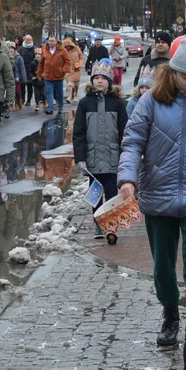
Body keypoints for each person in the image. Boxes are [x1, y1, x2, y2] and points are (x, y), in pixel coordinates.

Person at [117, 33, 186, 347]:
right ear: (173, 71)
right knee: (162, 265)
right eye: (184, 76)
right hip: (158, 196)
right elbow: (133, 141)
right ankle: (169, 311)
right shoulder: (152, 100)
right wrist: (127, 178)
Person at [73, 59, 129, 243]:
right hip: (93, 156)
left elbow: (124, 130)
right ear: (91, 81)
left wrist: (125, 153)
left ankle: (111, 224)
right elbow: (79, 132)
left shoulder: (118, 103)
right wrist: (80, 157)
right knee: (95, 193)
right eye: (96, 78)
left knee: (112, 192)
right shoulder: (84, 103)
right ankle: (98, 222)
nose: (99, 81)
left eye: (103, 78)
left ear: (109, 81)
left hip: (113, 156)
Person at [37, 36, 70, 115]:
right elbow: (41, 63)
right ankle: (50, 108)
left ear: (56, 42)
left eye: (52, 41)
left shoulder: (62, 50)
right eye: (49, 41)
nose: (51, 42)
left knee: (59, 93)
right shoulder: (45, 51)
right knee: (49, 92)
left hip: (58, 75)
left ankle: (60, 107)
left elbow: (67, 61)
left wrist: (63, 70)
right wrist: (39, 73)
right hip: (48, 75)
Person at [18, 35, 39, 108]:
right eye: (28, 40)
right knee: (22, 86)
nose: (29, 41)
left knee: (30, 86)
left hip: (31, 70)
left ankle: (29, 100)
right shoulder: (21, 48)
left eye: (30, 40)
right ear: (25, 40)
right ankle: (23, 99)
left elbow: (36, 59)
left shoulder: (34, 48)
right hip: (23, 69)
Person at [63, 37, 83, 103]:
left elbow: (81, 57)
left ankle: (76, 95)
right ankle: (69, 96)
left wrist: (79, 64)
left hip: (76, 69)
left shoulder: (76, 48)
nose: (68, 47)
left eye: (69, 46)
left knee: (76, 84)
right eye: (66, 46)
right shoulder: (63, 51)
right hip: (68, 70)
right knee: (69, 83)